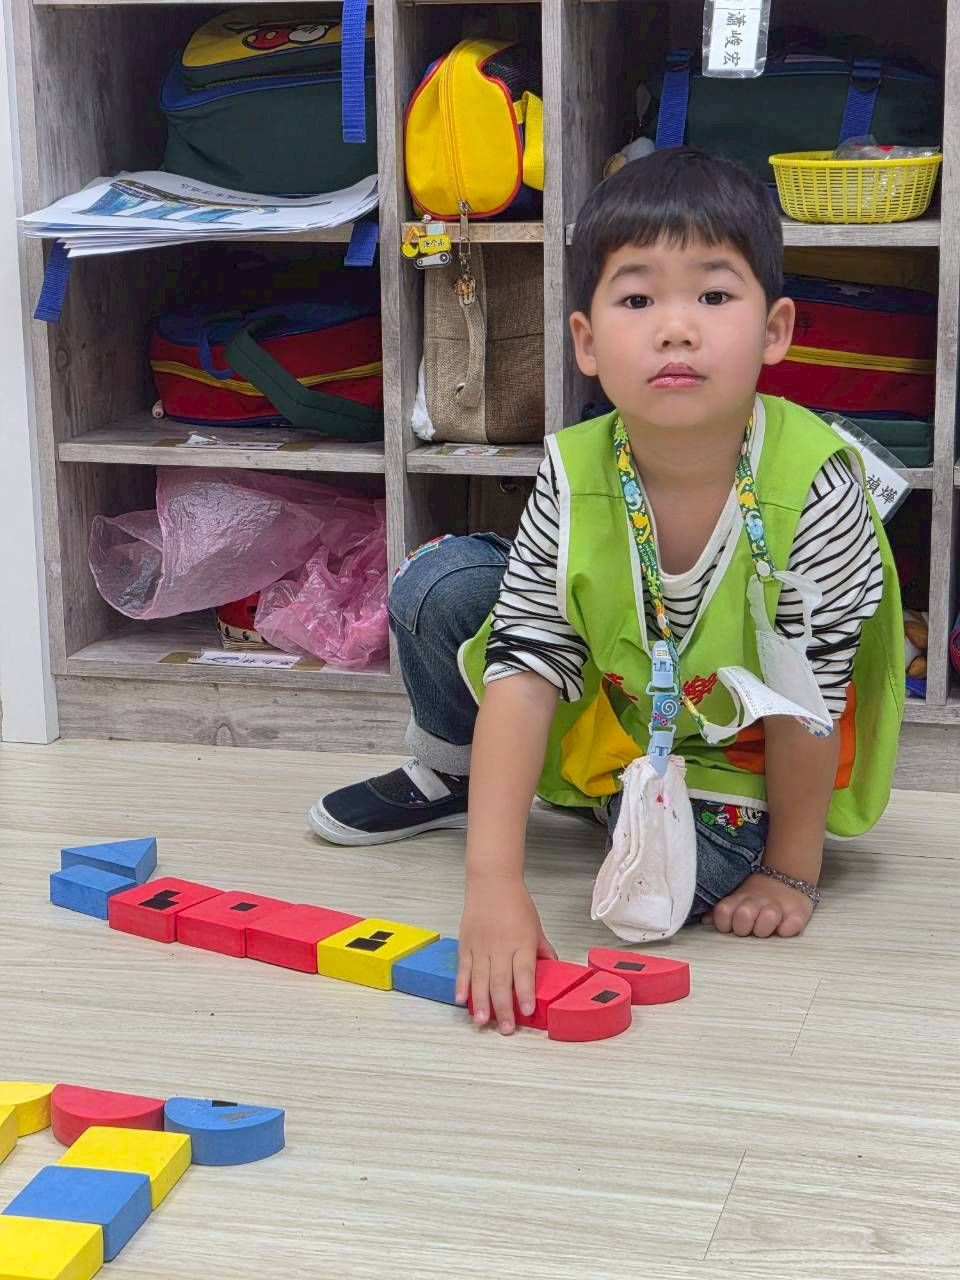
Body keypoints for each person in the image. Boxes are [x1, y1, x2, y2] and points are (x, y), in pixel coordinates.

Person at [309, 148, 903, 1034]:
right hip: (618, 709)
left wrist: (790, 870)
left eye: (714, 296)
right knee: (439, 587)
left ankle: (634, 807)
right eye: (637, 300)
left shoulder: (816, 482)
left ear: (774, 331)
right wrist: (492, 883)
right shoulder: (574, 464)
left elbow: (809, 700)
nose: (676, 329)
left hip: (743, 758)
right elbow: (526, 661)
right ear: (586, 343)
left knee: (652, 902)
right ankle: (462, 775)